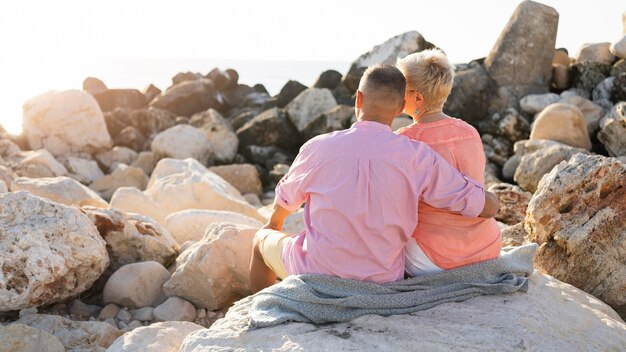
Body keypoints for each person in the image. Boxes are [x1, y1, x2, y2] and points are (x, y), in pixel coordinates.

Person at [249, 64, 500, 293]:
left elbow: (285, 201)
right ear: (401, 107)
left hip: (317, 271)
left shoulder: (318, 148)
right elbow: (467, 199)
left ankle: (258, 311)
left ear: (358, 99)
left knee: (261, 241)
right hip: (383, 278)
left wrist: (274, 224)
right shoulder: (417, 155)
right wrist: (493, 203)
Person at [396, 49, 502, 276]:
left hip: (435, 258)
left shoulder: (406, 140)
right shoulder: (469, 131)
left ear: (417, 98)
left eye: (401, 88)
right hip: (486, 248)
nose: (396, 94)